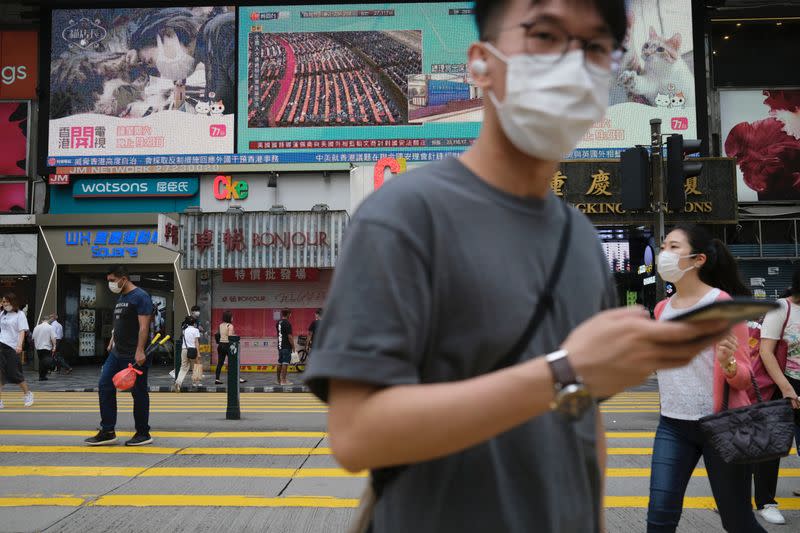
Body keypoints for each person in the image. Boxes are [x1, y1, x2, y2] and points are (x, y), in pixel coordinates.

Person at [303, 1, 734, 531]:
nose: (573, 64)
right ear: (481, 64)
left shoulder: (577, 237)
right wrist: (563, 371)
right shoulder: (404, 217)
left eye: (595, 47)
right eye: (546, 36)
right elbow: (356, 435)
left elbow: (584, 421)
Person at [646, 224, 764, 533]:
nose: (664, 255)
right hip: (671, 424)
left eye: (673, 247)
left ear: (698, 260)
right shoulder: (661, 309)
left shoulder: (721, 304)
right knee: (659, 517)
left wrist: (727, 365)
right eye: (663, 247)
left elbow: (744, 377)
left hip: (721, 426)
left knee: (737, 521)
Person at [85, 266, 153, 446]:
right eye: (109, 280)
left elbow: (144, 326)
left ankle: (143, 432)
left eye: (112, 280)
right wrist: (112, 340)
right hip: (116, 352)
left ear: (124, 278)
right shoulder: (121, 297)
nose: (110, 284)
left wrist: (140, 350)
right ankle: (107, 430)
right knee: (105, 384)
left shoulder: (141, 296)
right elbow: (119, 323)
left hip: (134, 354)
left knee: (138, 392)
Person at [755, 267, 800, 522]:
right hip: (783, 385)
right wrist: (786, 388)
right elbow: (766, 351)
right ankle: (765, 501)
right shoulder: (781, 308)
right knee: (772, 447)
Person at [0, 293, 33, 408]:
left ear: (12, 302)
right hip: (1, 346)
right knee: (0, 374)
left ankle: (27, 394)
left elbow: (22, 331)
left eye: (6, 301)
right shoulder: (2, 314)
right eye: (3, 302)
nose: (4, 304)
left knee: (15, 373)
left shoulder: (20, 314)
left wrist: (19, 345)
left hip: (12, 347)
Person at [214, 310, 245, 384]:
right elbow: (230, 337)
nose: (232, 318)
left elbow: (220, 335)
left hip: (220, 345)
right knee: (233, 362)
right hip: (228, 345)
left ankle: (217, 379)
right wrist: (235, 335)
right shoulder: (230, 326)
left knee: (220, 363)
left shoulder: (220, 325)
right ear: (229, 317)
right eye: (232, 317)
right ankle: (237, 378)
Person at [175, 316, 201, 390]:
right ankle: (196, 383)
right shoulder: (196, 330)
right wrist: (198, 353)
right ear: (194, 323)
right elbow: (196, 342)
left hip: (184, 350)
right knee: (195, 367)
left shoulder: (184, 330)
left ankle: (178, 382)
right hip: (193, 350)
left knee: (183, 367)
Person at [276, 309, 294, 386]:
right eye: (290, 314)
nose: (291, 315)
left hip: (280, 345)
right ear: (288, 314)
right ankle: (283, 381)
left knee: (280, 362)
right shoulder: (287, 323)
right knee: (285, 363)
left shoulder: (278, 322)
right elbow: (289, 336)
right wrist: (293, 346)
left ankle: (278, 380)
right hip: (286, 345)